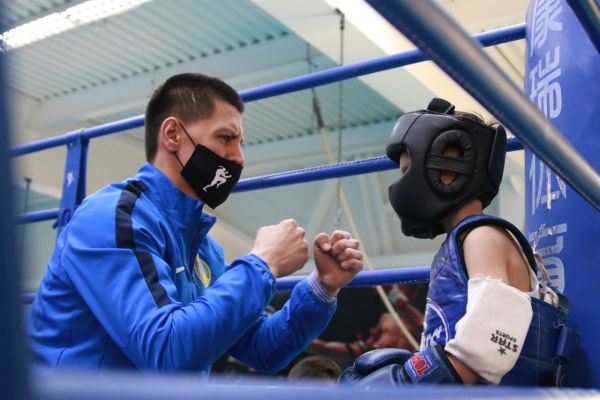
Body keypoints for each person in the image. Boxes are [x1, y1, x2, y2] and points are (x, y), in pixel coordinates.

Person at [26, 73, 363, 374]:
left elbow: (261, 349)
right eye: (226, 137)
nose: (239, 157)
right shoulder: (111, 219)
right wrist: (262, 264)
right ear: (173, 134)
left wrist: (321, 288)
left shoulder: (203, 248)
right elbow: (165, 351)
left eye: (240, 143)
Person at [340, 98, 576, 386]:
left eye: (406, 171)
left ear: (448, 170)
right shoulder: (464, 239)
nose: (402, 184)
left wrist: (401, 385)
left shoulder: (482, 236)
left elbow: (488, 347)